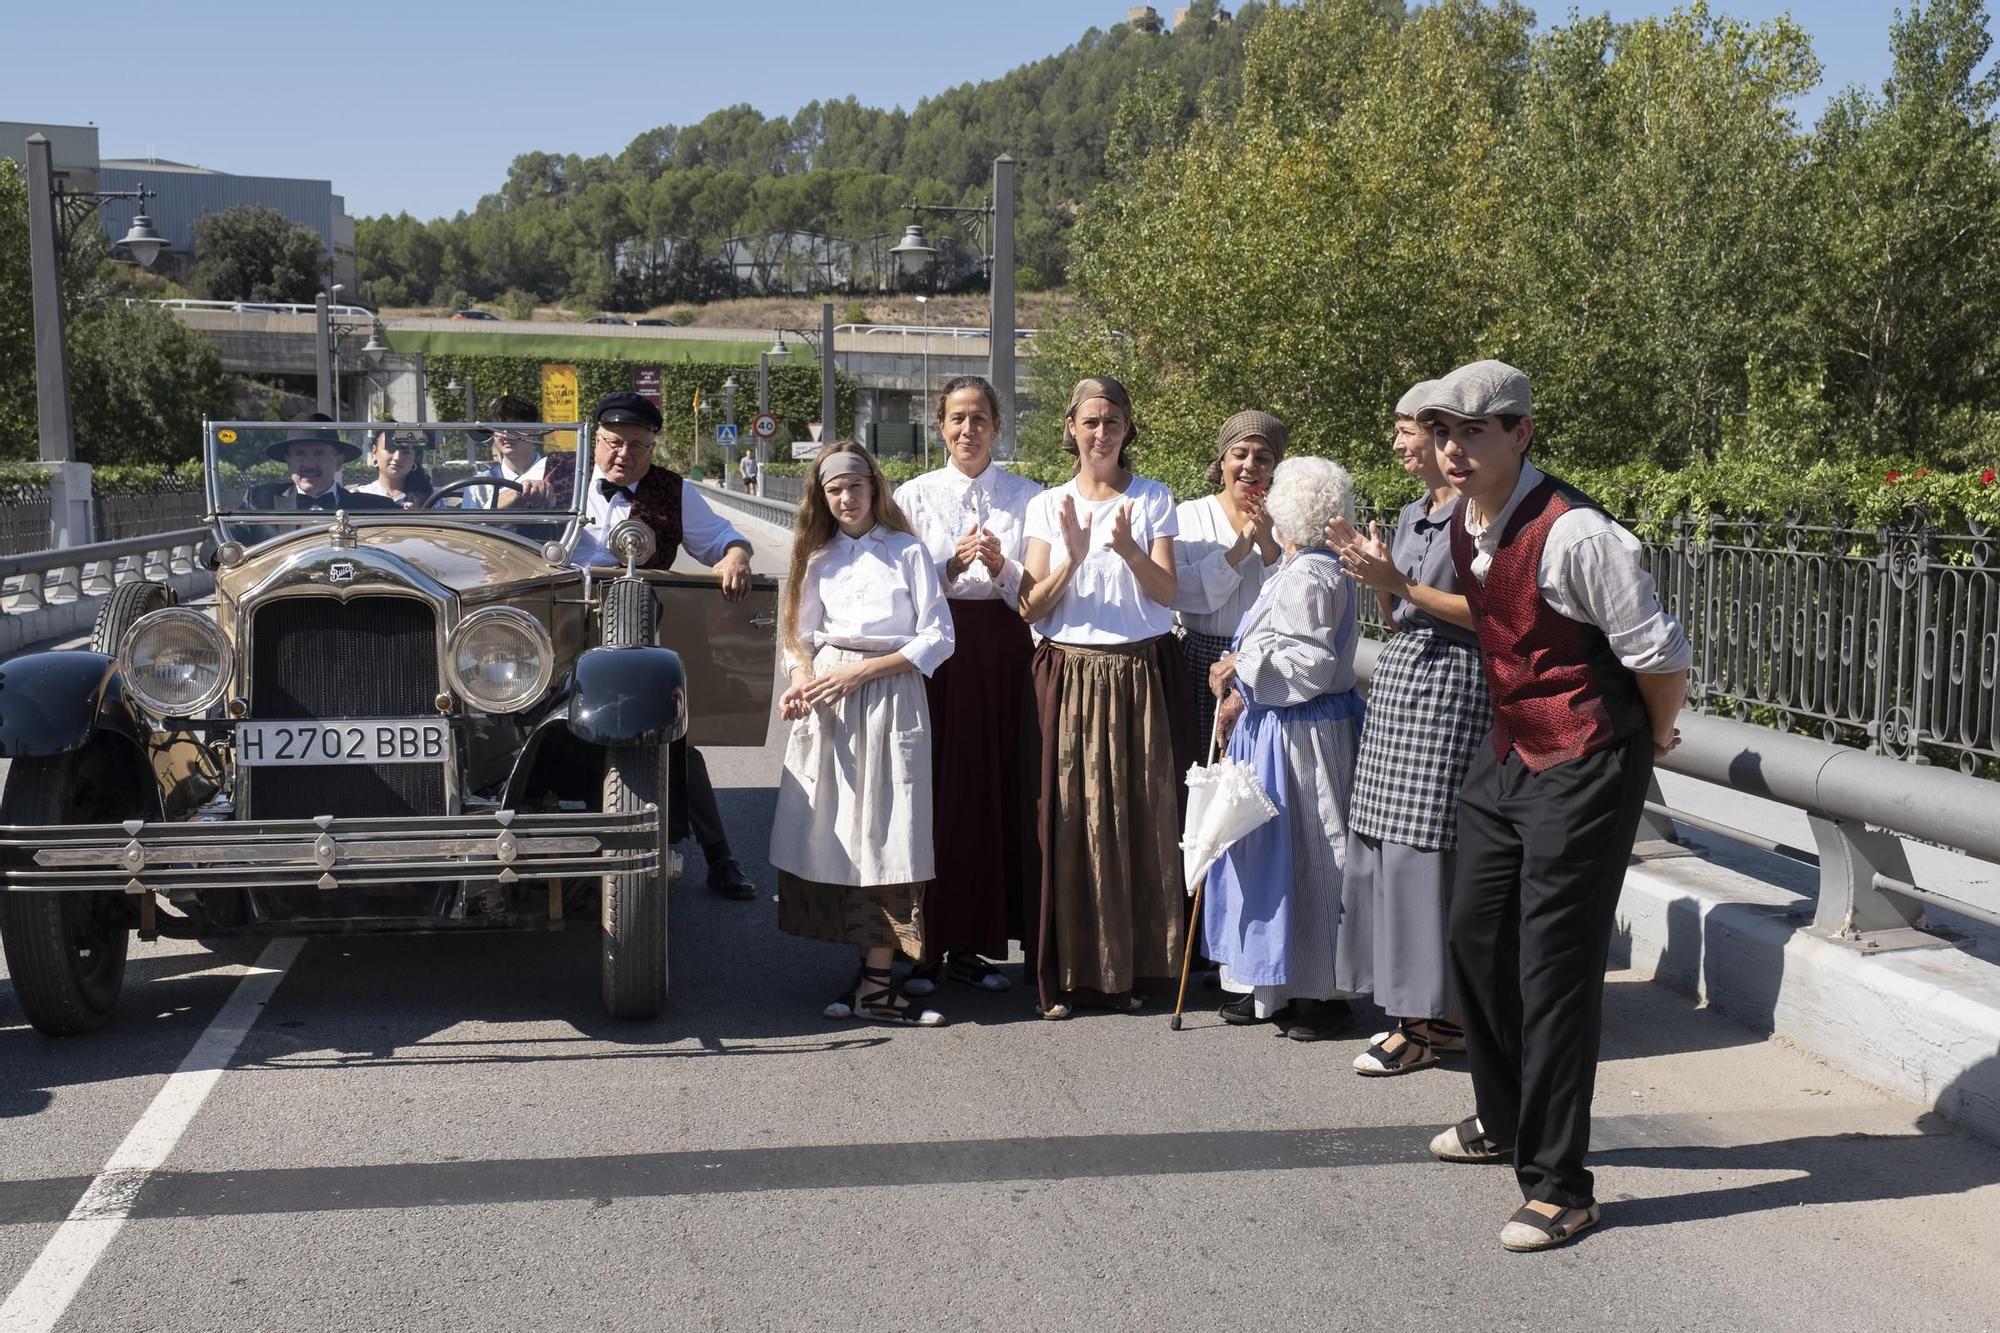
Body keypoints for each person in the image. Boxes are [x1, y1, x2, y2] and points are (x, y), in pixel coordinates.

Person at [1414, 360, 1690, 1253]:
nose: (1454, 451)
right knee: (1472, 933)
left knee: (1555, 969)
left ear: (1522, 434)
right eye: (1445, 433)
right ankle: (1503, 1119)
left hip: (1586, 757)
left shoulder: (1581, 535)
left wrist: (1650, 737)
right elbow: (1494, 617)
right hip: (1509, 754)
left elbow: (1661, 656)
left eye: (1475, 433)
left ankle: (1562, 1186)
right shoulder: (1463, 518)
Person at [519, 391, 761, 900]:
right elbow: (500, 526)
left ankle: (721, 857)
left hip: (633, 630)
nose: (623, 455)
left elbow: (724, 538)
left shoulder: (674, 491)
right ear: (594, 439)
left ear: (653, 447)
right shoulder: (555, 470)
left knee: (673, 737)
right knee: (514, 725)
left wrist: (736, 557)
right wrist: (523, 501)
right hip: (549, 624)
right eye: (612, 442)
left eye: (637, 446)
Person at [1328, 381, 1490, 1076]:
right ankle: (1427, 1011)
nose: (1398, 444)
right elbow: (1399, 617)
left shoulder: (1480, 516)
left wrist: (1397, 578)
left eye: (1405, 430)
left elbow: (1487, 613)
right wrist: (1379, 582)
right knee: (1387, 841)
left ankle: (1424, 1020)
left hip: (1452, 686)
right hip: (1402, 682)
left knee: (1427, 849)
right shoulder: (1410, 512)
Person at [1019, 376, 1188, 1019]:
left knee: (1140, 814)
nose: (1100, 431)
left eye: (1112, 420)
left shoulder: (1153, 499)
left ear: (1126, 430)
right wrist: (1075, 555)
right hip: (1071, 669)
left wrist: (1126, 549)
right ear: (1070, 428)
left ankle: (1138, 969)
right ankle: (1072, 972)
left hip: (1141, 670)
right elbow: (1030, 604)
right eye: (1089, 420)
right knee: (1071, 816)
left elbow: (1167, 593)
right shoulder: (1046, 506)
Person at [770, 442, 954, 1026]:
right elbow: (796, 639)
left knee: (888, 835)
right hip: (829, 704)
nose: (845, 498)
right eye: (833, 489)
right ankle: (869, 980)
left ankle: (876, 985)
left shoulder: (907, 552)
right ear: (821, 497)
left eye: (854, 486)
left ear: (874, 487)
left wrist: (860, 671)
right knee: (838, 837)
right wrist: (800, 680)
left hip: (888, 695)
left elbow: (938, 637)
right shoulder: (816, 557)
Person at [1202, 455, 1366, 1042]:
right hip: (1282, 728)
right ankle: (1274, 986)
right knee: (1277, 854)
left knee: (1312, 851)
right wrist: (1243, 688)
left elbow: (1311, 664)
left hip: (1303, 734)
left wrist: (1238, 668)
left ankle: (1319, 992)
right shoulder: (1303, 568)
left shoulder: (1310, 575)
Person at [892, 376, 1043, 996]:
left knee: (992, 787)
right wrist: (947, 565)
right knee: (933, 788)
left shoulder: (1031, 497)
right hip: (939, 649)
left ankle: (978, 944)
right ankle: (924, 942)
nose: (967, 430)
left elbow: (1039, 592)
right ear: (940, 426)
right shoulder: (914, 494)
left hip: (1002, 648)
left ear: (996, 426)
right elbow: (897, 584)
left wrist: (1003, 566)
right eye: (956, 418)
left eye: (979, 418)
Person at [1174, 411, 1282, 750]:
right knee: (1193, 769)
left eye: (1263, 457)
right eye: (1240, 454)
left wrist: (1267, 544)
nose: (1251, 465)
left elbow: (1290, 599)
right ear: (1222, 462)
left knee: (1247, 777)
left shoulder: (1285, 525)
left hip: (1259, 663)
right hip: (1195, 658)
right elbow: (1179, 591)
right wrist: (1235, 553)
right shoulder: (1189, 515)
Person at [241, 413, 399, 530]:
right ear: (288, 461)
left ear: (338, 462)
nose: (309, 464)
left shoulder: (375, 509)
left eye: (319, 453)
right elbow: (224, 553)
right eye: (300, 454)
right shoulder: (258, 503)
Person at [461, 394, 552, 509]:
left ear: (534, 429)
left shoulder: (558, 476)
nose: (505, 434)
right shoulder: (479, 486)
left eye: (514, 427)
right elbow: (467, 526)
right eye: (498, 428)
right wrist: (495, 509)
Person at [352, 429, 429, 507]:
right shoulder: (357, 496)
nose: (397, 458)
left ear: (415, 457)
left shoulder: (430, 498)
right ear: (374, 452)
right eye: (390, 449)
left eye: (405, 451)